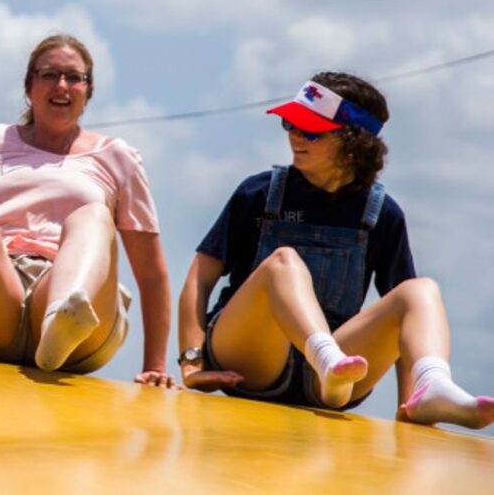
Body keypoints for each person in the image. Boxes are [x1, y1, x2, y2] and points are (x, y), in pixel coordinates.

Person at [178, 74, 492, 429]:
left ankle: (430, 386)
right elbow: (199, 277)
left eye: (310, 129)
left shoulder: (382, 215)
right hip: (251, 358)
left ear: (354, 142)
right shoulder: (259, 193)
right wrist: (192, 361)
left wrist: (408, 408)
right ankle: (325, 358)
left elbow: (408, 321)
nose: (294, 135)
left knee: (422, 290)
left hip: (336, 380)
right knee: (283, 262)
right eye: (289, 123)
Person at [0, 34, 174, 386]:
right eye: (50, 75)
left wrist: (156, 366)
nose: (62, 85)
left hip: (76, 299)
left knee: (94, 216)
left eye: (74, 77)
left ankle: (62, 318)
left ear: (88, 93)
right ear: (29, 86)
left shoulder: (117, 157)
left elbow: (151, 274)